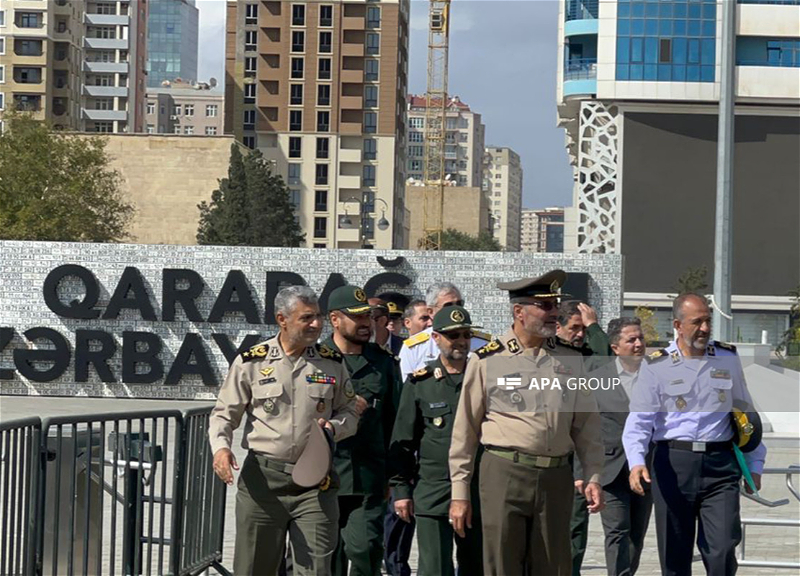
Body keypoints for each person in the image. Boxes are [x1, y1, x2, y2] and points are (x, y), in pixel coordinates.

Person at [449, 270, 605, 576]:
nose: (553, 312)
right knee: (501, 564)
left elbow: (587, 426)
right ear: (519, 311)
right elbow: (465, 431)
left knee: (554, 565)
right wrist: (459, 493)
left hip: (555, 477)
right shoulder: (487, 360)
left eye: (555, 305)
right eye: (544, 306)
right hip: (504, 473)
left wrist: (594, 475)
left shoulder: (569, 360)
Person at [208, 286, 360, 576]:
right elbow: (223, 414)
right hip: (263, 484)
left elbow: (350, 412)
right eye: (306, 318)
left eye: (318, 317)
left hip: (316, 483)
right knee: (254, 567)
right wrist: (221, 449)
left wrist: (334, 428)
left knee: (316, 569)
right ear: (282, 319)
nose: (316, 324)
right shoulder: (251, 362)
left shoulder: (332, 362)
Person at [623, 293, 767, 576]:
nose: (704, 328)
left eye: (707, 321)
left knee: (723, 549)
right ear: (678, 324)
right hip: (673, 464)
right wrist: (636, 462)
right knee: (674, 554)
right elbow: (639, 420)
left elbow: (747, 416)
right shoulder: (656, 365)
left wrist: (754, 464)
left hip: (720, 466)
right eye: (696, 322)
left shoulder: (726, 358)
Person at [390, 305, 484, 576]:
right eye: (453, 336)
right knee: (434, 569)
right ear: (436, 338)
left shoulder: (484, 378)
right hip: (433, 490)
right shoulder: (421, 382)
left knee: (476, 567)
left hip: (477, 489)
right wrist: (401, 491)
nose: (461, 342)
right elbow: (404, 440)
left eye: (466, 335)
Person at [323, 285, 401, 576]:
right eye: (356, 317)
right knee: (327, 556)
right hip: (322, 473)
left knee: (365, 548)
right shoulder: (316, 359)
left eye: (368, 316)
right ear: (335, 319)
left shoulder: (383, 364)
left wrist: (395, 476)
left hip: (368, 474)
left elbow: (395, 422)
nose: (366, 323)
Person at [588, 317, 652, 576]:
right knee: (617, 530)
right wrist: (585, 473)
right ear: (615, 347)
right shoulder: (596, 380)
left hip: (646, 469)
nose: (638, 344)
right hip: (611, 469)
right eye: (631, 340)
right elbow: (584, 430)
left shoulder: (658, 374)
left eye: (640, 338)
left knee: (637, 533)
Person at [559, 301, 613, 576]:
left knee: (575, 531)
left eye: (583, 329)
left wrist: (594, 327)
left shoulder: (587, 357)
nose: (579, 334)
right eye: (574, 328)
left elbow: (606, 365)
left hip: (578, 462)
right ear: (557, 327)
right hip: (550, 457)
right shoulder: (548, 356)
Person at [399, 282, 491, 380]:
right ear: (431, 312)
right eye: (448, 305)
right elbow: (406, 386)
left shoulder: (482, 343)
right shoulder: (414, 347)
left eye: (459, 304)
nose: (456, 309)